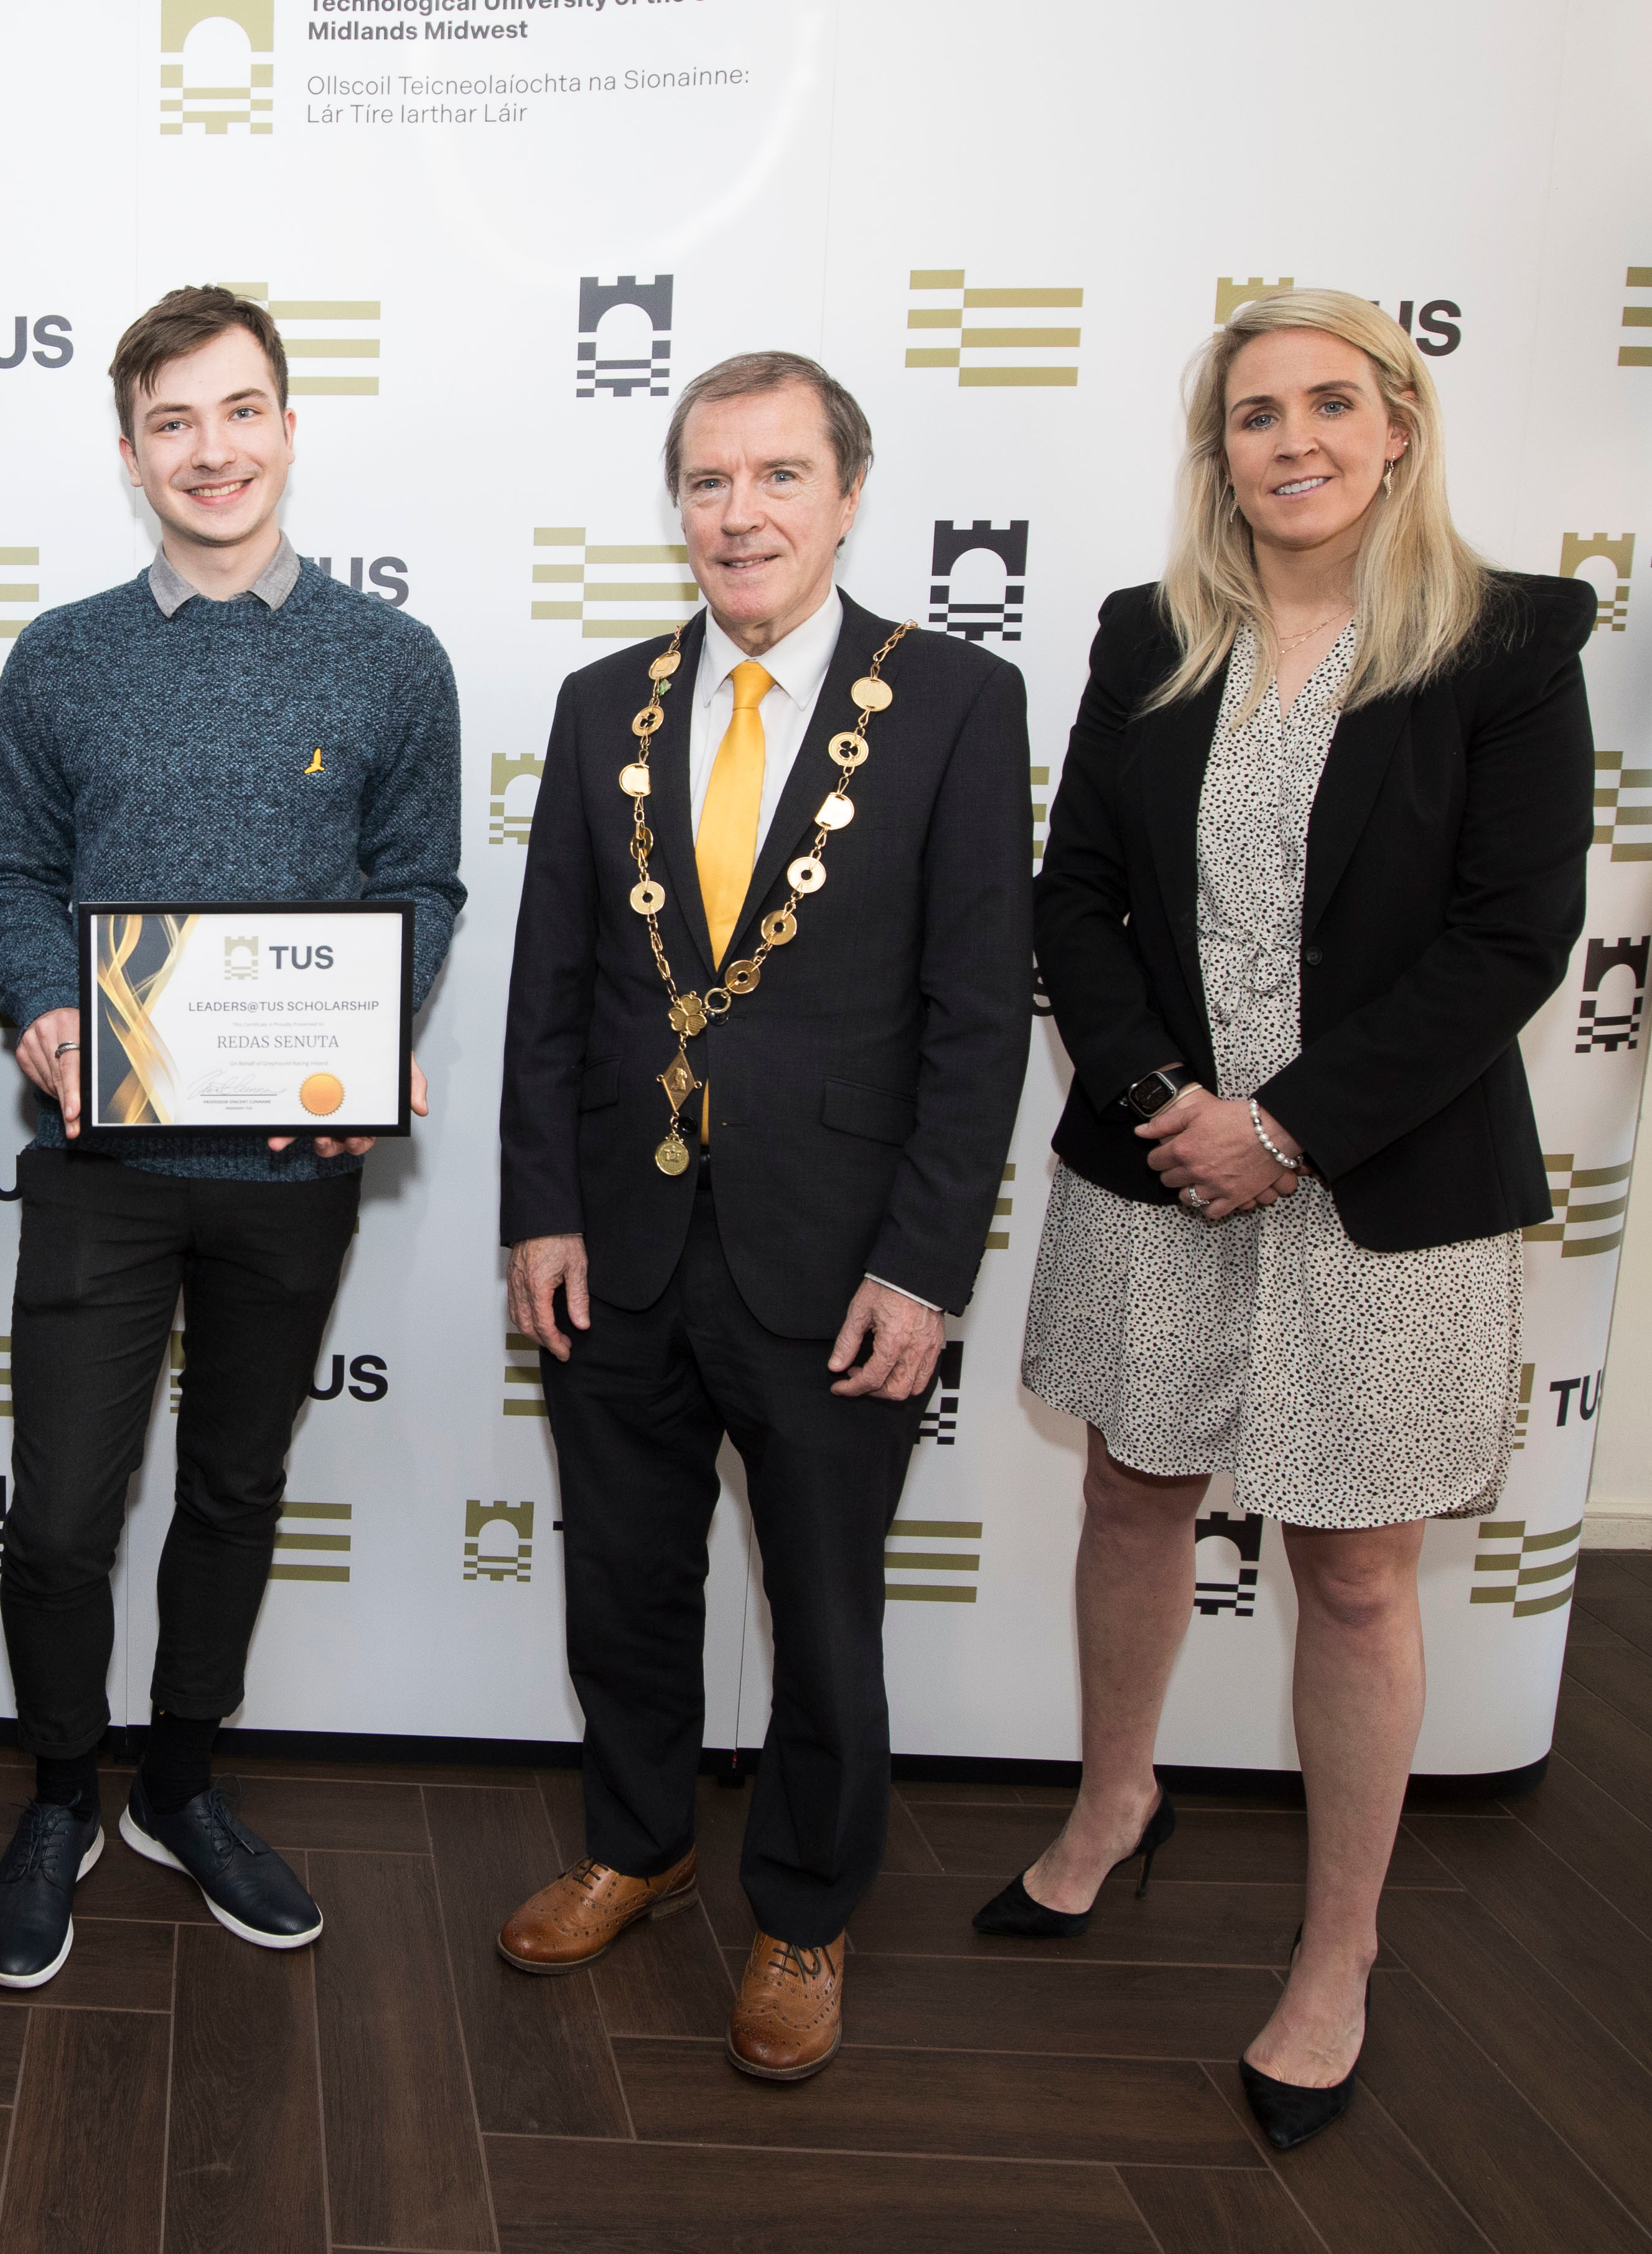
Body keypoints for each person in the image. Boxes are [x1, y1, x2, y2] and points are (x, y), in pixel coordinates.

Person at [1007, 289, 1592, 2150]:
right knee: (1127, 1491)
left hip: (1384, 1184)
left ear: (1399, 427)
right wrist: (1158, 1108)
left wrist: (1291, 1127)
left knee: (1353, 1572)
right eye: (1254, 416)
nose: (1292, 443)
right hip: (1157, 1161)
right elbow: (1074, 897)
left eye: (1329, 406)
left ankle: (1335, 1954)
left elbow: (1513, 935)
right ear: (1219, 453)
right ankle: (1114, 1803)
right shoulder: (1147, 636)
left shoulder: (1503, 644)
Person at [497, 351, 1032, 2083]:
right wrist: (539, 1208)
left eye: (778, 477)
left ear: (848, 495)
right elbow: (549, 988)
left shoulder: (951, 699)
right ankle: (639, 1843)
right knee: (626, 1587)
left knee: (821, 1606)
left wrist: (925, 1263)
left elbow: (977, 1012)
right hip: (622, 1247)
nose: (739, 513)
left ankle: (801, 1913)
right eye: (709, 482)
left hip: (836, 1261)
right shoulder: (603, 703)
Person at [0, 286, 463, 1990]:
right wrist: (43, 1004)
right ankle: (58, 1797)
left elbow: (417, 883)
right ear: (128, 454)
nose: (211, 449)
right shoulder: (62, 657)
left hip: (286, 1175)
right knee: (56, 1518)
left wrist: (371, 1044)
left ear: (287, 425)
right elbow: (15, 873)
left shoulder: (393, 661)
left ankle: (179, 1784)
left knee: (237, 1492)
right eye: (172, 421)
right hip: (102, 1168)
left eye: (238, 410)